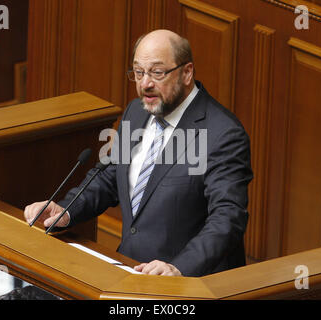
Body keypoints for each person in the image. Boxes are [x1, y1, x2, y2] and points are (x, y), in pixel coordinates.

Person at [24, 29, 253, 277]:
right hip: (129, 270)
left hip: (187, 285)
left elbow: (227, 219)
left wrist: (179, 268)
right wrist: (66, 210)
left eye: (157, 72)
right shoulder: (137, 111)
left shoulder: (222, 133)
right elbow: (109, 177)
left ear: (187, 73)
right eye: (138, 72)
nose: (145, 84)